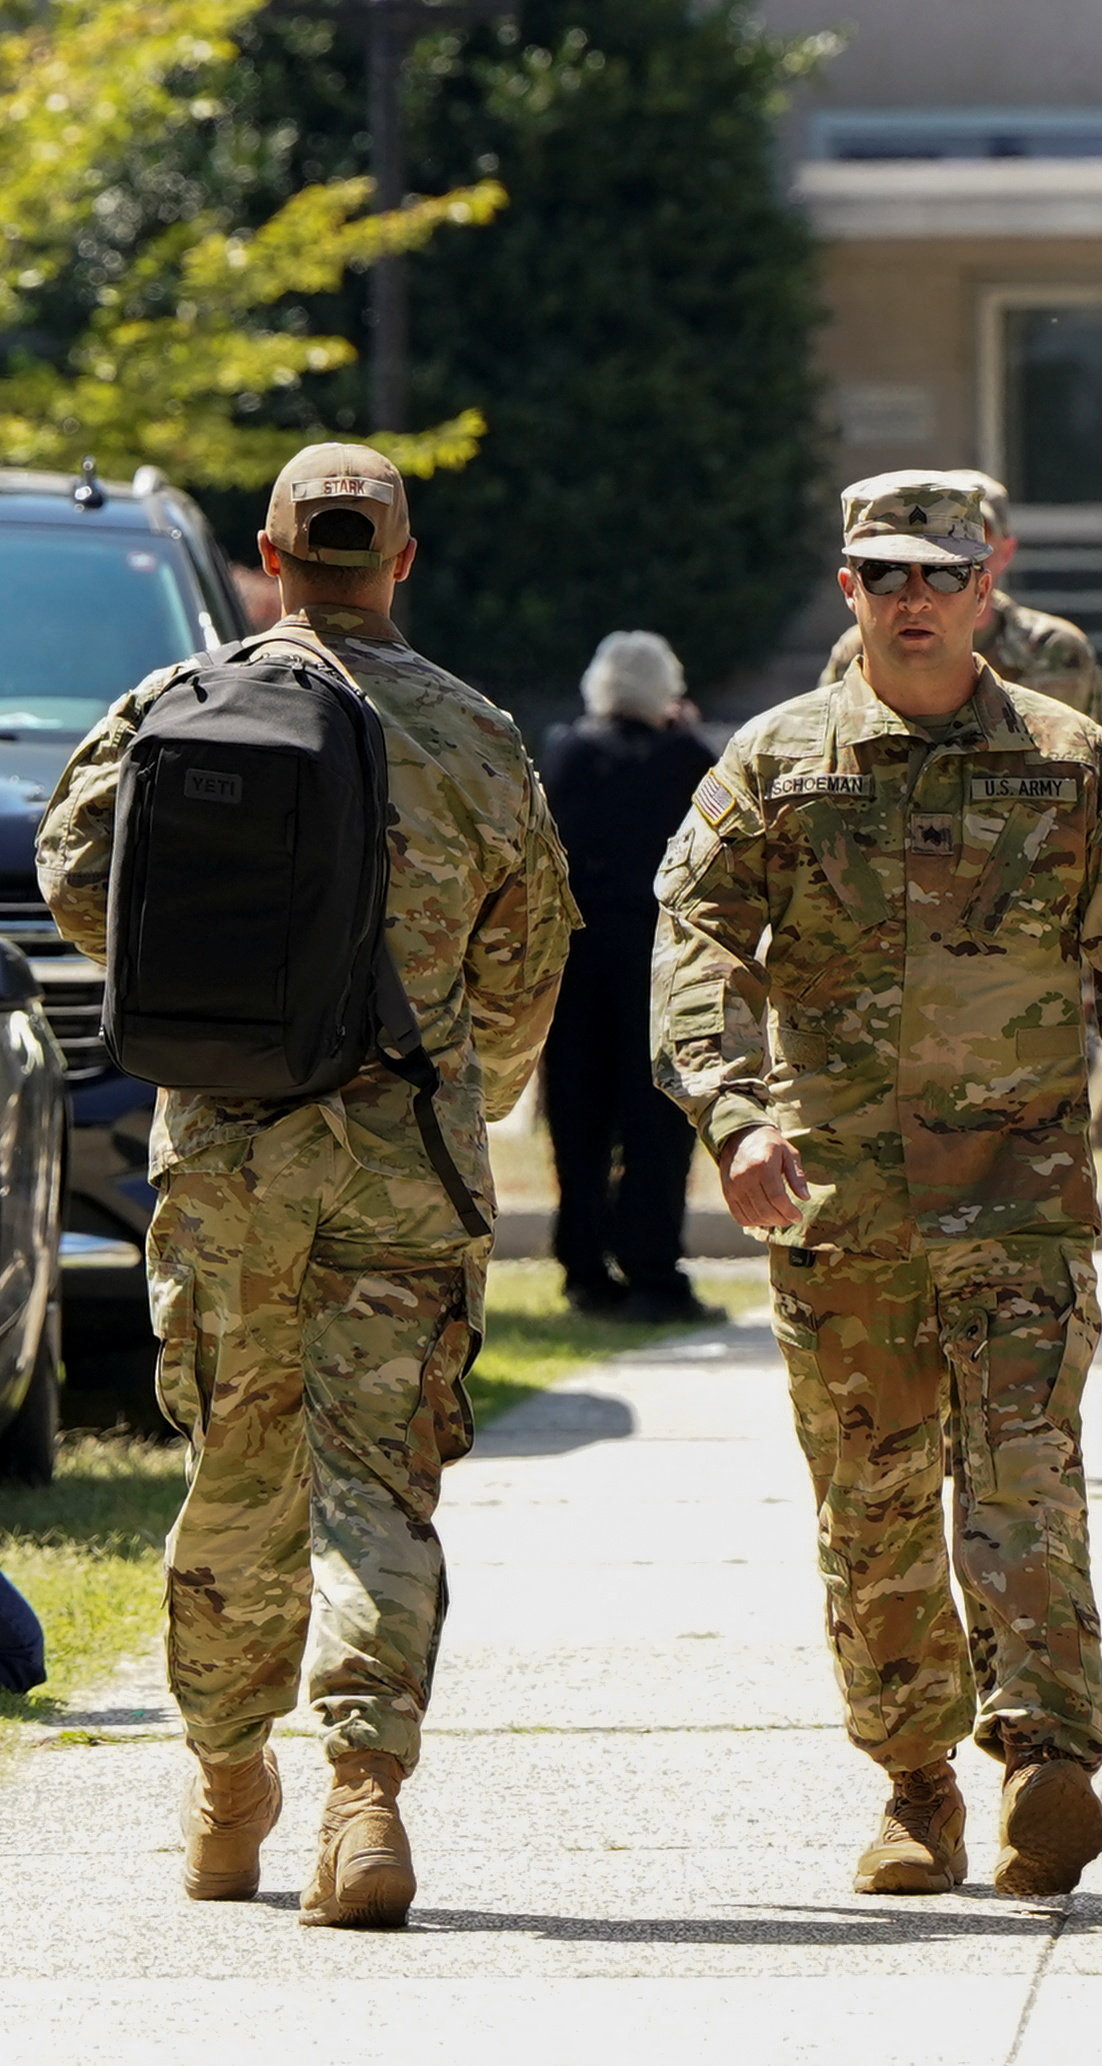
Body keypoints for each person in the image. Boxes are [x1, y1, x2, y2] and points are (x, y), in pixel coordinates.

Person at [654, 471, 1102, 1901]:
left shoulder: (1066, 760)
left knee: (1025, 1488)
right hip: (840, 1215)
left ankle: (1045, 1760)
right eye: (883, 575)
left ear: (991, 589)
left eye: (940, 574)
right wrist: (731, 1120)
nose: (913, 599)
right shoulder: (777, 764)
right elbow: (693, 946)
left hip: (1022, 1206)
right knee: (875, 1507)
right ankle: (916, 1783)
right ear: (846, 589)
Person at [36, 442, 579, 1928]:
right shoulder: (475, 736)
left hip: (227, 1157)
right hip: (405, 1156)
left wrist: (213, 997)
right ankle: (363, 1794)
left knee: (238, 1462)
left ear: (268, 558)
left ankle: (224, 1787)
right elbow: (529, 962)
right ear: (401, 560)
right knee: (379, 1480)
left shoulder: (174, 704)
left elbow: (77, 871)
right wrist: (470, 1090)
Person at [538, 630, 722, 1322]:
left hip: (576, 967)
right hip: (660, 966)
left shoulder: (567, 755)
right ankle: (652, 1266)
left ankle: (584, 1266)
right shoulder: (687, 760)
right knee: (657, 1120)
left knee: (578, 1117)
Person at [816, 467, 1102, 740]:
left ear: (1006, 552)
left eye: (975, 541)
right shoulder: (862, 650)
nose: (916, 600)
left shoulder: (1055, 650)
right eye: (887, 571)